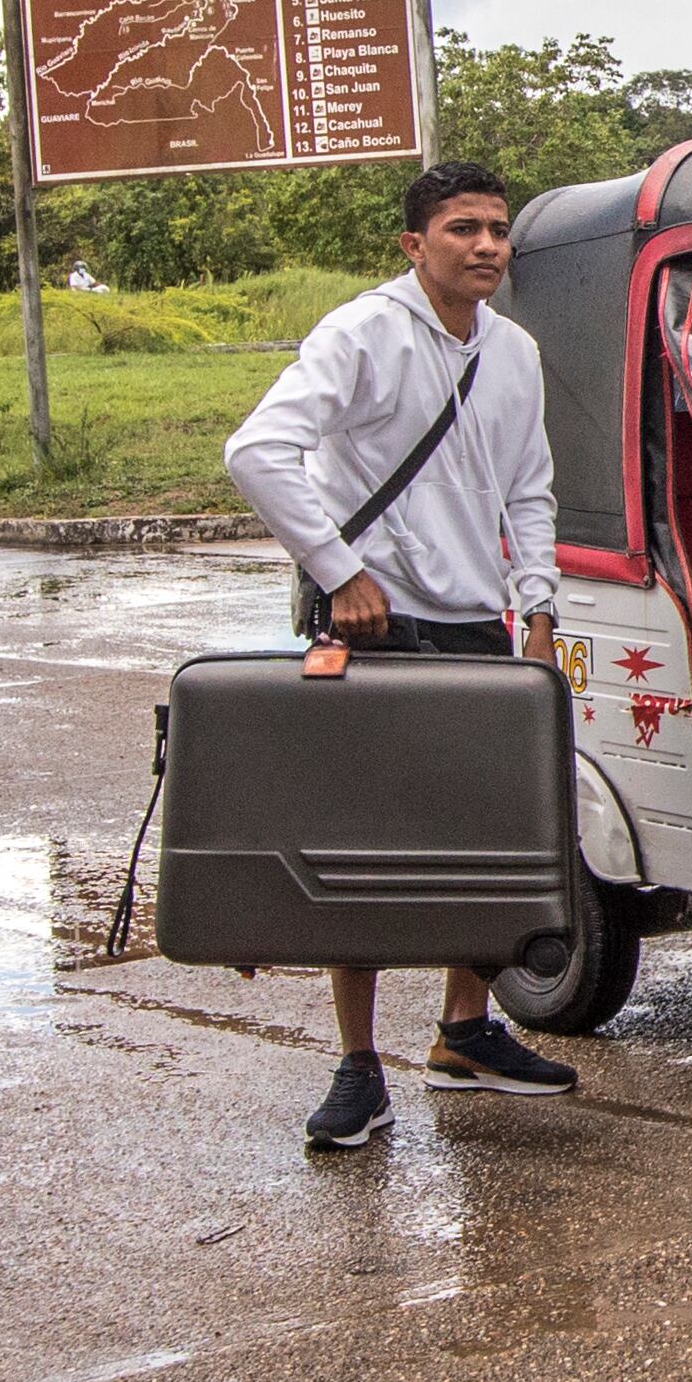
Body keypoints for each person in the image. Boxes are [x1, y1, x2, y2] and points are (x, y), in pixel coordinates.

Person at [225, 159, 582, 1150]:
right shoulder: (363, 333)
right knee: (366, 844)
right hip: (374, 623)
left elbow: (529, 488)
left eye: (497, 229)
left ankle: (465, 1032)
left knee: (484, 834)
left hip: (476, 622)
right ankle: (357, 1065)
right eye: (463, 228)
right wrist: (338, 569)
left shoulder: (513, 351)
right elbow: (256, 451)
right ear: (414, 244)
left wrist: (538, 605)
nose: (485, 245)